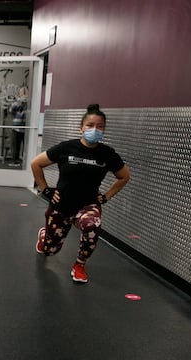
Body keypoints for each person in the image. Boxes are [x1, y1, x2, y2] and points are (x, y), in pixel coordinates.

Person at [30, 103, 131, 283]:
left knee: (92, 227)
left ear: (104, 130)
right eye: (90, 125)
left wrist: (106, 196)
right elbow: (36, 164)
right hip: (62, 205)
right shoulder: (66, 148)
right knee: (50, 250)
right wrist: (45, 190)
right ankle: (44, 236)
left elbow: (124, 176)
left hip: (88, 205)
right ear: (81, 128)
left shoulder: (107, 154)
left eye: (100, 127)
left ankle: (79, 265)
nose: (95, 130)